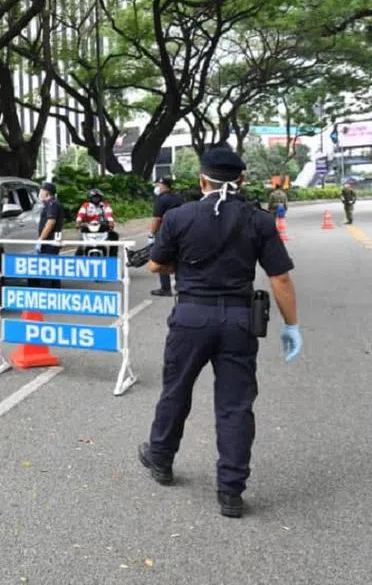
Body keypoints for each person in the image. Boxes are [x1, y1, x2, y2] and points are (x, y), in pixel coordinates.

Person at [138, 145, 301, 519]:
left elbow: (155, 266)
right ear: (241, 180)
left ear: (202, 180)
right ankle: (231, 492)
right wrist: (292, 326)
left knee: (176, 390)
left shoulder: (180, 217)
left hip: (191, 317)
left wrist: (186, 265)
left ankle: (160, 459)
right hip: (238, 321)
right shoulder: (258, 220)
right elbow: (280, 277)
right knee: (235, 405)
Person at [149, 177, 184, 297]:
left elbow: (157, 219)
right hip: (181, 231)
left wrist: (152, 233)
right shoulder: (178, 197)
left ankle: (165, 288)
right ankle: (181, 286)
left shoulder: (161, 199)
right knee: (180, 258)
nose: (157, 187)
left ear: (163, 185)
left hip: (165, 232)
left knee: (162, 257)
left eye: (158, 184)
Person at [31, 182, 64, 289]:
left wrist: (41, 240)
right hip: (52, 241)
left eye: (41, 191)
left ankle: (47, 292)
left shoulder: (52, 204)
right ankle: (55, 292)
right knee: (52, 269)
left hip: (49, 242)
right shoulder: (51, 203)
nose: (39, 193)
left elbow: (51, 222)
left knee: (46, 269)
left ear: (47, 193)